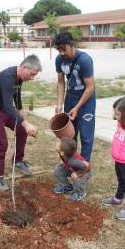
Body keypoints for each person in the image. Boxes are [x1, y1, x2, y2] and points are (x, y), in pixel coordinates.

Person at [0, 55, 41, 190]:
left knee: (21, 131)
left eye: (34, 76)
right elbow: (9, 107)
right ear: (24, 67)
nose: (32, 78)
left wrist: (21, 115)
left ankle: (18, 161)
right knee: (2, 143)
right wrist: (25, 123)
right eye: (31, 74)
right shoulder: (7, 77)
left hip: (4, 109)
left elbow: (17, 96)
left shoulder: (19, 77)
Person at [54, 31, 96, 163]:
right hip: (70, 98)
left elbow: (90, 87)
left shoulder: (85, 60)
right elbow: (61, 82)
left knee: (86, 136)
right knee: (69, 135)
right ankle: (70, 162)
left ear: (72, 45)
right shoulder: (59, 60)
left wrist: (77, 108)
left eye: (64, 49)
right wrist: (59, 103)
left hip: (86, 100)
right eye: (58, 49)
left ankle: (83, 167)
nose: (61, 53)